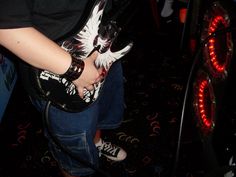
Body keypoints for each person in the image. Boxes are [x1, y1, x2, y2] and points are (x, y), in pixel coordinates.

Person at [0, 0, 127, 176]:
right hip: (58, 74)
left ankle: (96, 141)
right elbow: (6, 28)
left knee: (101, 109)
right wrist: (77, 70)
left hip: (103, 48)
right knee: (73, 152)